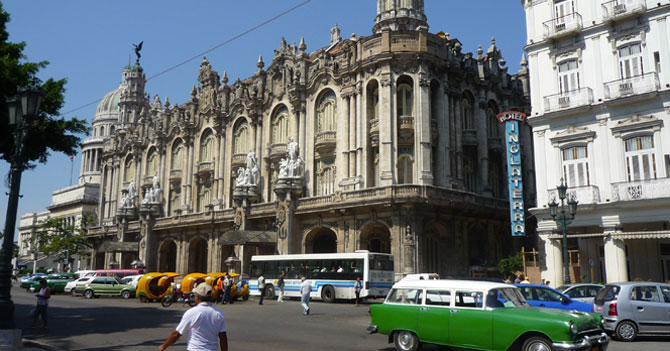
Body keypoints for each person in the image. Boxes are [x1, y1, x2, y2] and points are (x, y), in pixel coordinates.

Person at [159, 283, 228, 351]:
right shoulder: (219, 313)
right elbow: (223, 338)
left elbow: (176, 334)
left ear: (197, 297)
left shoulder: (192, 312)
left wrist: (164, 346)